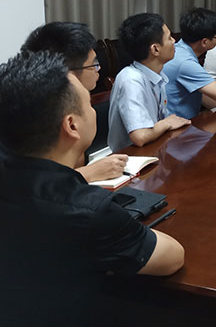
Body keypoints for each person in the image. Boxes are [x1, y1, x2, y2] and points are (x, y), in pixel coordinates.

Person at [0, 51, 184, 326]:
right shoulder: (89, 211)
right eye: (88, 103)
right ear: (72, 125)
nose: (93, 109)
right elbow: (172, 257)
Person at [21, 21, 128, 182]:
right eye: (94, 64)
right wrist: (88, 173)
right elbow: (38, 183)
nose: (98, 69)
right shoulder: (41, 116)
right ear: (68, 73)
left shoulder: (74, 103)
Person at [108, 13, 191, 151]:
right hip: (132, 157)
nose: (174, 41)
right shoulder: (131, 80)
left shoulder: (156, 74)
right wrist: (167, 123)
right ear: (155, 49)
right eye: (169, 37)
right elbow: (140, 136)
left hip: (155, 148)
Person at [164, 7, 216, 119]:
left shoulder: (179, 50)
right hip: (179, 125)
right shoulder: (186, 63)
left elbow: (201, 93)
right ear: (205, 42)